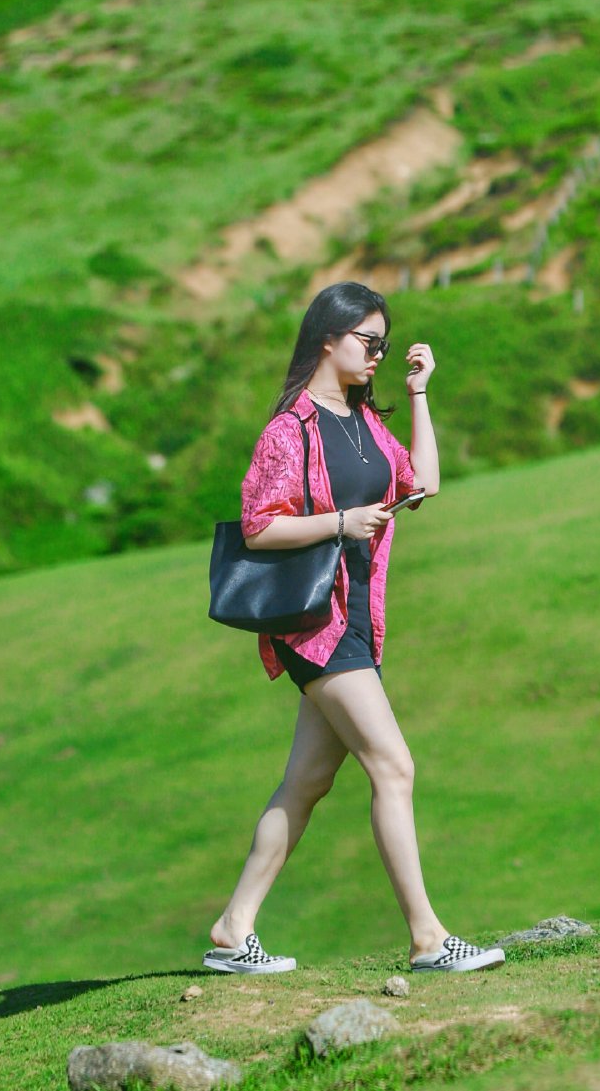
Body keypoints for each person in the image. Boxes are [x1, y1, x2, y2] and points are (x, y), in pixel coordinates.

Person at [203, 281, 505, 976]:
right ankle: (428, 937)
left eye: (385, 344)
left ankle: (232, 926)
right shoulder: (291, 429)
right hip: (316, 623)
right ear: (327, 338)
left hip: (359, 619)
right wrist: (341, 522)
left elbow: (420, 484)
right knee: (394, 765)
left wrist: (421, 392)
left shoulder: (364, 422)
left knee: (306, 782)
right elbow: (259, 523)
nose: (378, 353)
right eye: (369, 341)